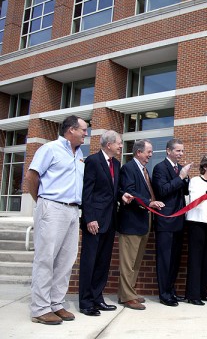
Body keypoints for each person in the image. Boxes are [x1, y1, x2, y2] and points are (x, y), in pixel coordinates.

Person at [26, 115, 88, 325]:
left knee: (66, 259)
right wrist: (42, 201)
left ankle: (56, 303)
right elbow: (31, 176)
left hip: (72, 211)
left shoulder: (80, 155)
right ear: (71, 130)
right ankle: (40, 308)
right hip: (52, 207)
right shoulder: (50, 149)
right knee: (46, 258)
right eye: (83, 130)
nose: (86, 134)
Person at [79, 130, 123, 316]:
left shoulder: (116, 164)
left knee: (103, 263)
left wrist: (124, 195)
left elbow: (114, 191)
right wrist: (89, 218)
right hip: (95, 221)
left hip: (110, 220)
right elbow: (86, 192)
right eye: (119, 143)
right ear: (108, 145)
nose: (121, 146)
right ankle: (86, 303)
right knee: (90, 262)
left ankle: (98, 298)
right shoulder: (93, 161)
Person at [117, 139, 164, 310]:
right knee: (128, 262)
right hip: (131, 222)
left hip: (143, 222)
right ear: (138, 152)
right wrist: (148, 202)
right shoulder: (129, 168)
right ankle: (126, 296)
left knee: (136, 262)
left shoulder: (144, 170)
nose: (151, 155)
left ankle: (130, 292)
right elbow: (130, 191)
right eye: (148, 152)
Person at [152, 138, 192, 307]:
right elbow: (162, 191)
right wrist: (181, 177)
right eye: (178, 151)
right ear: (168, 151)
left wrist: (186, 179)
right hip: (165, 221)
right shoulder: (160, 168)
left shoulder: (179, 169)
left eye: (182, 151)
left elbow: (182, 192)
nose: (181, 154)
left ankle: (171, 290)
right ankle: (164, 294)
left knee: (175, 259)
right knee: (165, 260)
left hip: (179, 220)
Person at [185, 154, 207, 306]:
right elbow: (193, 201)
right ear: (205, 166)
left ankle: (202, 292)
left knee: (205, 260)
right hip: (196, 224)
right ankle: (193, 295)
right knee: (195, 260)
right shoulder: (195, 181)